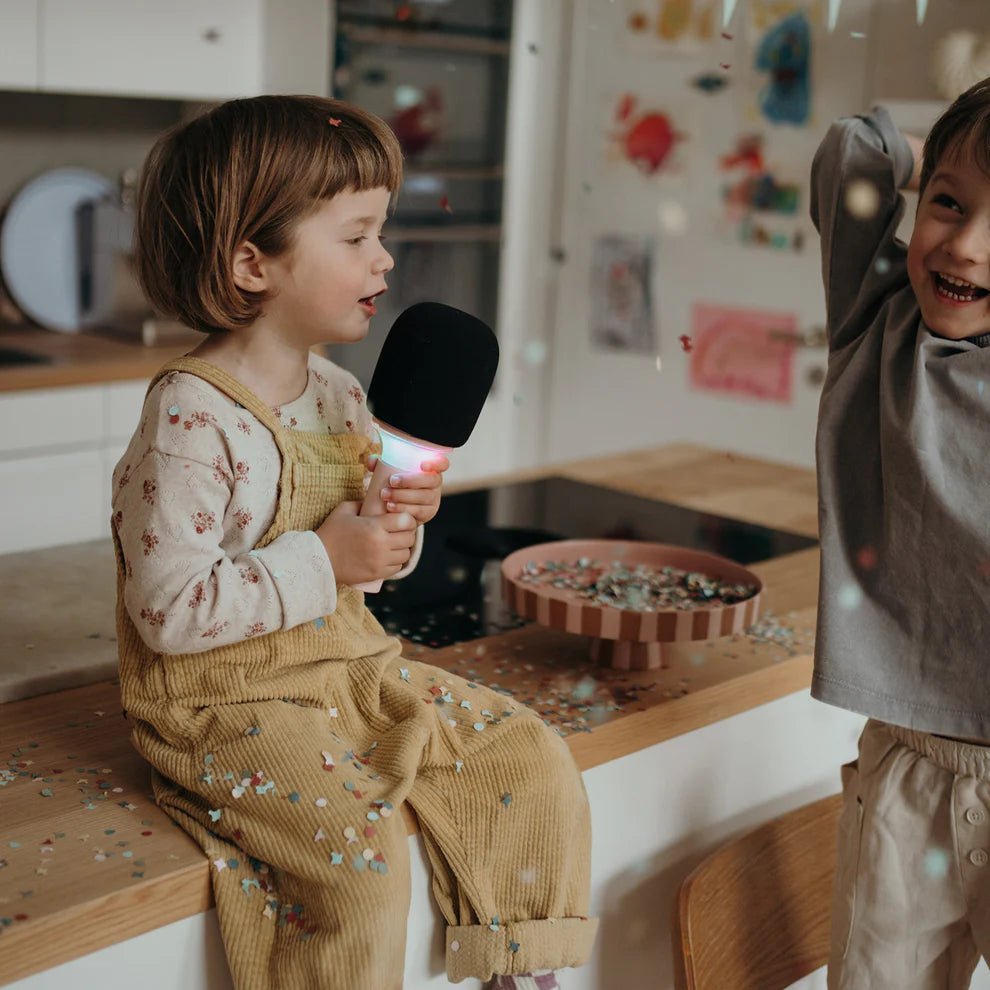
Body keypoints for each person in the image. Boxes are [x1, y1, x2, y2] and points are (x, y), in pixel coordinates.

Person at [111, 94, 596, 990]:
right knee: (358, 858)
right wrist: (326, 559)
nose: (386, 257)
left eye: (383, 232)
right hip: (222, 702)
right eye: (357, 236)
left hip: (344, 668)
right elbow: (168, 611)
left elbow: (364, 570)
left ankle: (520, 970)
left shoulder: (339, 394)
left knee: (526, 752)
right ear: (252, 262)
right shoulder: (190, 416)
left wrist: (391, 538)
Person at [811, 77, 990, 989]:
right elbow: (853, 149)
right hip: (909, 762)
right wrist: (952, 140)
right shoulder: (876, 319)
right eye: (948, 204)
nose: (964, 245)